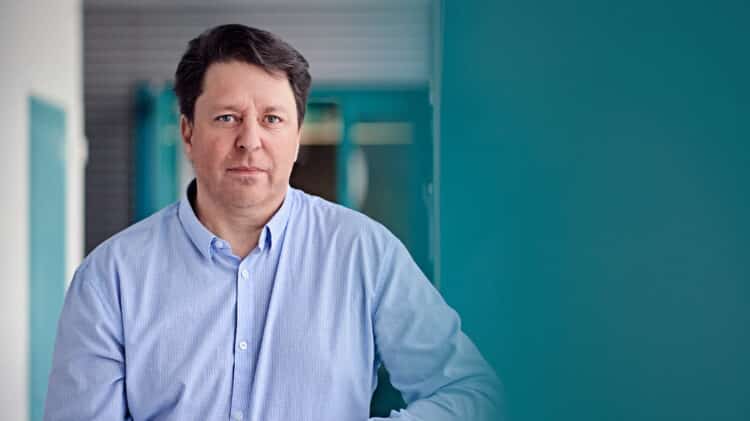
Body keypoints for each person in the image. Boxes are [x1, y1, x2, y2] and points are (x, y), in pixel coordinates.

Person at [44, 24, 502, 421]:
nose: (250, 141)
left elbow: (470, 394)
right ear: (187, 131)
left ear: (297, 136)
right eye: (227, 118)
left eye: (272, 119)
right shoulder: (111, 276)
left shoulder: (364, 252)